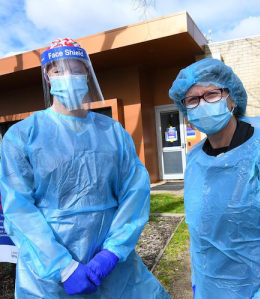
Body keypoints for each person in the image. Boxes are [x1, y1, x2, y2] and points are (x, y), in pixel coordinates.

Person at [0, 38, 170, 299]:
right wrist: (63, 268)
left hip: (114, 270)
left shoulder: (112, 131)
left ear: (87, 74)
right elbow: (18, 209)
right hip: (48, 278)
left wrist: (112, 252)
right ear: (47, 77)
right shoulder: (23, 135)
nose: (68, 76)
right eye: (59, 70)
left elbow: (134, 193)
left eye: (76, 69)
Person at [169, 58, 260, 299]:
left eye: (211, 94)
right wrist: (197, 281)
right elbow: (199, 234)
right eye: (193, 99)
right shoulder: (195, 159)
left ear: (232, 98)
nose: (202, 104)